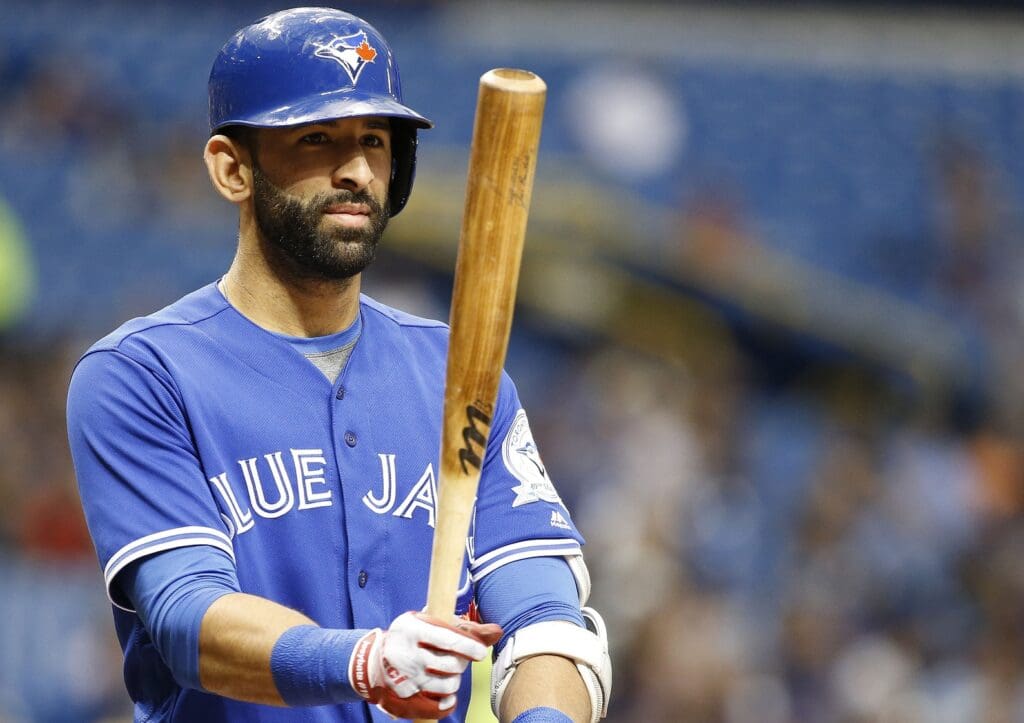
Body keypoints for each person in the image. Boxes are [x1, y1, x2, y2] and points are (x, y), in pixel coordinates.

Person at [65, 7, 610, 723]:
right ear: (233, 167)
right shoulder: (142, 375)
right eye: (317, 138)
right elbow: (186, 617)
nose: (355, 170)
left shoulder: (461, 373)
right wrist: (366, 660)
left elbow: (546, 616)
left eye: (375, 141)